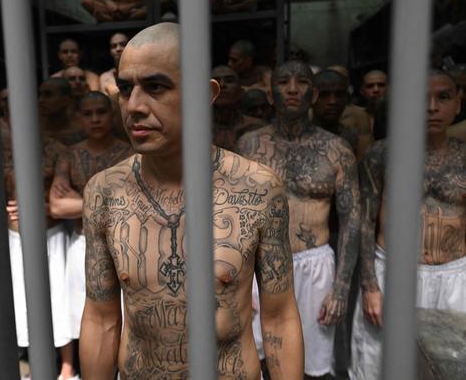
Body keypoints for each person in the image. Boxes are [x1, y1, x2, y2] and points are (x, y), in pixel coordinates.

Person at [79, 22, 304, 379]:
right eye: (125, 89)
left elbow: (279, 318)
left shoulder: (257, 189)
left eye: (155, 87)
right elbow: (101, 318)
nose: (134, 106)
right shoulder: (103, 193)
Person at [236, 61, 361, 379]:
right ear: (269, 93)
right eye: (283, 82)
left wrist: (341, 287)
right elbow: (234, 215)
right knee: (255, 360)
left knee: (312, 365)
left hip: (314, 264)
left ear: (314, 93)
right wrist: (237, 277)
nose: (292, 88)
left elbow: (351, 219)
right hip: (259, 264)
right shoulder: (249, 145)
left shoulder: (336, 150)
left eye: (302, 82)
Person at [350, 69, 466, 380]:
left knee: (449, 368)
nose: (431, 107)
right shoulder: (381, 155)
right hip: (393, 274)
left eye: (442, 97)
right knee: (381, 367)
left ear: (458, 102)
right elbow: (365, 221)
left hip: (455, 277)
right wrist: (370, 286)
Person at [49, 92, 132, 345]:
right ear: (79, 118)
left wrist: (79, 200)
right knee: (86, 322)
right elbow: (56, 208)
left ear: (112, 115)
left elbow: (132, 205)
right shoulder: (70, 156)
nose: (95, 119)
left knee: (126, 323)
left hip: (125, 244)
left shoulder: (129, 153)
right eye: (88, 114)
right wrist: (110, 201)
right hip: (81, 244)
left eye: (101, 112)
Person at [6, 133, 77, 380]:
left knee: (59, 297)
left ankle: (67, 366)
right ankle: (36, 365)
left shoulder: (55, 147)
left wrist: (41, 206)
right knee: (23, 299)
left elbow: (63, 193)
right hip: (15, 236)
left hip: (51, 233)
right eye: (4, 102)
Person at [312, 69, 371, 158]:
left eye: (339, 95)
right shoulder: (294, 139)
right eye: (324, 95)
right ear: (311, 98)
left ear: (346, 99)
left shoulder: (357, 141)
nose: (333, 101)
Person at [211, 65, 264, 151]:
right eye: (216, 81)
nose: (222, 85)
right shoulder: (194, 129)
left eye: (229, 81)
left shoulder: (257, 127)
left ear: (241, 92)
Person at [39, 77, 86, 146]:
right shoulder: (31, 127)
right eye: (40, 94)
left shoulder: (82, 129)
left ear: (65, 100)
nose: (41, 100)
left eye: (48, 95)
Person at [326, 65, 371, 136]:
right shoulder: (312, 113)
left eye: (342, 78)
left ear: (348, 82)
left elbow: (365, 144)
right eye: (332, 77)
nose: (337, 81)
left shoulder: (360, 115)